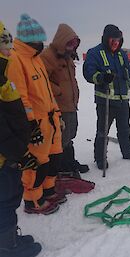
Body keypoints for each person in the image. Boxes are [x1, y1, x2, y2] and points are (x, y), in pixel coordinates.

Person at [7, 14, 65, 215]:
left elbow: (46, 91)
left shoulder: (36, 58)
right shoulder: (16, 59)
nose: (41, 42)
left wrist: (57, 112)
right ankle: (33, 200)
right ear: (27, 39)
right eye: (37, 38)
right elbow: (20, 96)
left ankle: (48, 190)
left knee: (54, 157)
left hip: (51, 119)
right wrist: (30, 125)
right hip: (37, 123)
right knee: (36, 164)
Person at [0, 21, 42, 257]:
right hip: (4, 156)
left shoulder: (3, 79)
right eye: (4, 46)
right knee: (5, 201)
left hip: (9, 153)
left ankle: (9, 237)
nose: (9, 51)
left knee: (9, 197)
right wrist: (19, 153)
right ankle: (7, 247)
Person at [83, 24, 130, 170]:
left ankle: (127, 151)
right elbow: (88, 73)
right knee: (103, 131)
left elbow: (129, 69)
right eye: (112, 40)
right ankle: (100, 158)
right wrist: (102, 78)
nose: (115, 43)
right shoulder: (95, 53)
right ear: (106, 39)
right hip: (106, 101)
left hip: (122, 100)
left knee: (125, 128)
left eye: (118, 40)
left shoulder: (121, 54)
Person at [41, 23, 89, 178]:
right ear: (62, 41)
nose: (72, 47)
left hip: (71, 105)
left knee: (70, 135)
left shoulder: (67, 57)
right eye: (69, 43)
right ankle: (59, 169)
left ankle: (69, 162)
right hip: (58, 107)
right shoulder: (48, 56)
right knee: (60, 139)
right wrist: (58, 91)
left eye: (74, 44)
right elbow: (41, 81)